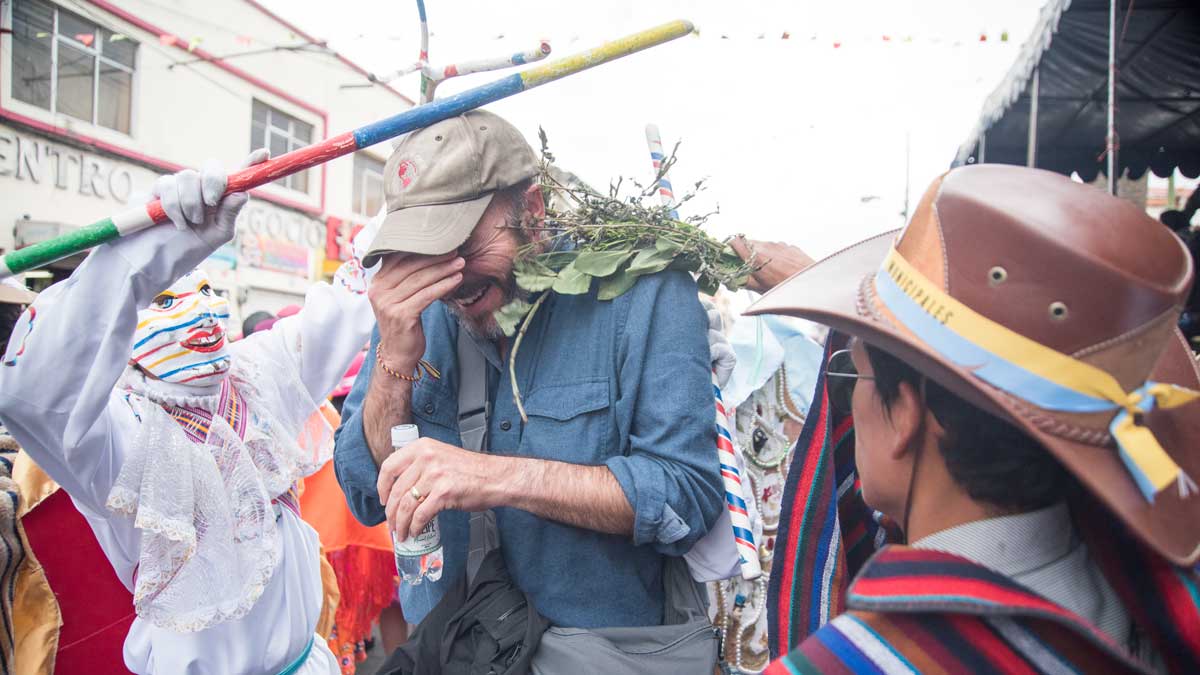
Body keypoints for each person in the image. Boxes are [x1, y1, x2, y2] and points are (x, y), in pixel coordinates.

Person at [744, 165, 1200, 673]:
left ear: (907, 418)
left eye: (856, 374)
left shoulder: (856, 663)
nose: (850, 407)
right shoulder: (1151, 604)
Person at [334, 109, 726, 633]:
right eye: (425, 254)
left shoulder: (644, 292)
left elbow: (685, 495)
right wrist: (394, 363)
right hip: (450, 657)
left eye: (465, 247)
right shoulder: (413, 311)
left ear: (533, 210)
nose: (450, 280)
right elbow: (364, 489)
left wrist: (496, 478)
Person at [0, 152, 375, 674]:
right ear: (120, 335)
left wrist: (416, 199)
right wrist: (143, 254)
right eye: (167, 298)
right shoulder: (119, 436)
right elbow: (33, 389)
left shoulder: (256, 375)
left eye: (205, 289)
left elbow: (352, 299)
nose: (201, 309)